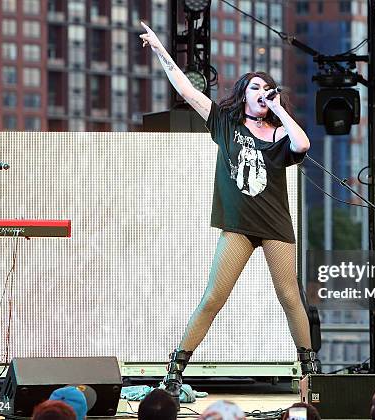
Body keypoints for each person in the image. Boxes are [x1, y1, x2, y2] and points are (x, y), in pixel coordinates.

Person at [139, 21, 315, 407]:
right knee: (213, 298)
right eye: (254, 87)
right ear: (242, 94)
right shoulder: (225, 123)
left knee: (290, 297)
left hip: (274, 225)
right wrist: (159, 49)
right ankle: (174, 372)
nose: (261, 94)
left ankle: (310, 373)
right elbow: (186, 90)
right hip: (238, 225)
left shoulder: (281, 134)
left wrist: (280, 109)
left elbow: (302, 142)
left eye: (266, 89)